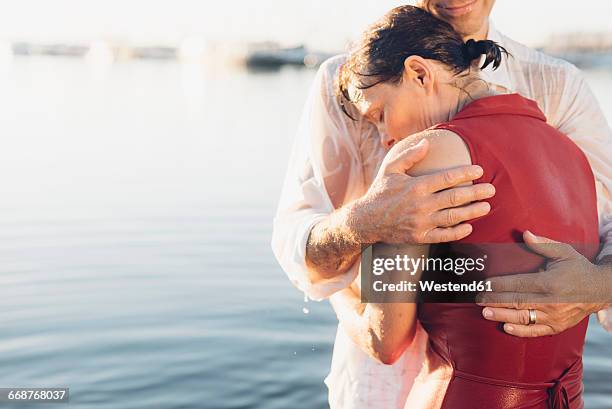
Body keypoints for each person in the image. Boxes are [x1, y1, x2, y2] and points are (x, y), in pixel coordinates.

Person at [271, 0, 612, 407]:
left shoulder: (425, 151)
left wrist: (342, 300)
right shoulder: (562, 146)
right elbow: (294, 231)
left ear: (419, 73)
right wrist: (363, 223)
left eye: (379, 114)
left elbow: (384, 341)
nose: (383, 137)